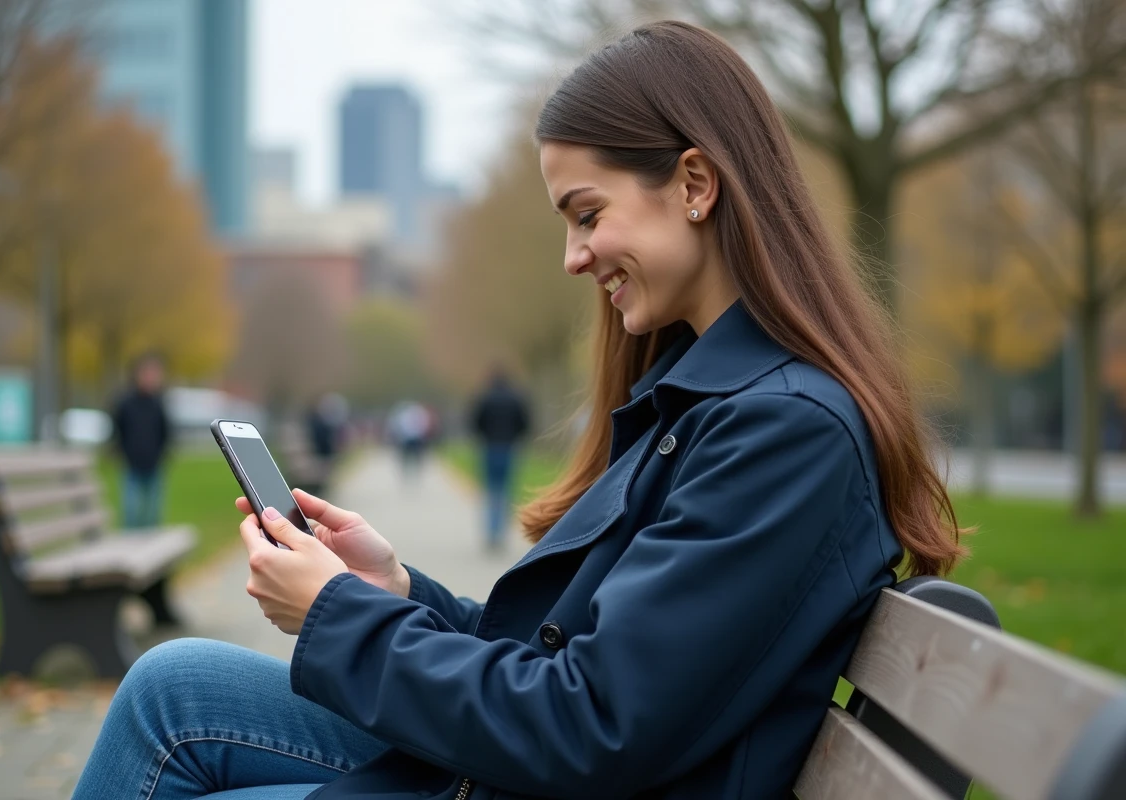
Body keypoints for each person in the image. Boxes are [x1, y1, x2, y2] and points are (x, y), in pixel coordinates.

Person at [74, 22, 965, 800]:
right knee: (172, 688)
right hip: (527, 773)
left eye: (586, 214)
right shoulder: (712, 400)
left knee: (170, 715)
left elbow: (591, 726)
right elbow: (565, 662)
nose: (574, 258)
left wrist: (334, 616)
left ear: (695, 183)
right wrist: (394, 592)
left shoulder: (784, 431)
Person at [469, 366, 531, 550]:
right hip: (509, 447)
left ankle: (492, 532)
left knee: (491, 491)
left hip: (489, 447)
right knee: (507, 490)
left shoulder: (484, 398)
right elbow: (525, 423)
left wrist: (484, 436)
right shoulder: (516, 399)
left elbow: (475, 422)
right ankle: (502, 532)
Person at [111, 353, 171, 530]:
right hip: (132, 465)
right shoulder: (125, 403)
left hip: (154, 465)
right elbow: (118, 430)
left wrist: (161, 453)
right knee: (131, 512)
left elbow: (165, 432)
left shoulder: (158, 403)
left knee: (153, 513)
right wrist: (123, 452)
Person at [387, 400, 431, 483]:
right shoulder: (405, 414)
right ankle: (407, 473)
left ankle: (415, 473)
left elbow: (423, 425)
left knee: (416, 457)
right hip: (408, 438)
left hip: (414, 438)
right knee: (408, 457)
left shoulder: (416, 413)